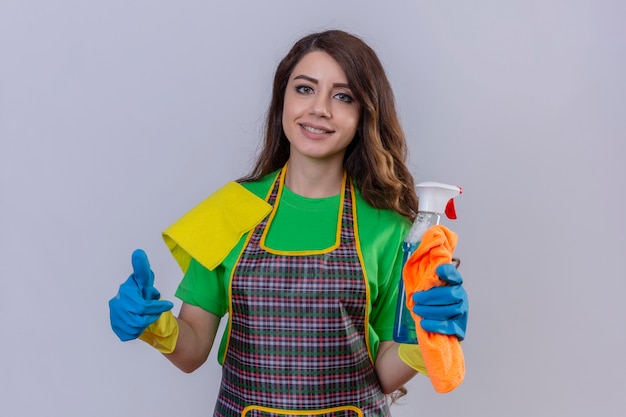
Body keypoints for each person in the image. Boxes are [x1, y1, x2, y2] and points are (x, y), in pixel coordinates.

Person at [109, 29, 469, 417]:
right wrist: (154, 326)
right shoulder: (230, 209)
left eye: (343, 96)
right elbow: (193, 350)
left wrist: (426, 337)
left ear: (364, 114)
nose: (319, 109)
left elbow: (383, 372)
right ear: (282, 98)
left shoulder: (390, 228)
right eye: (304, 89)